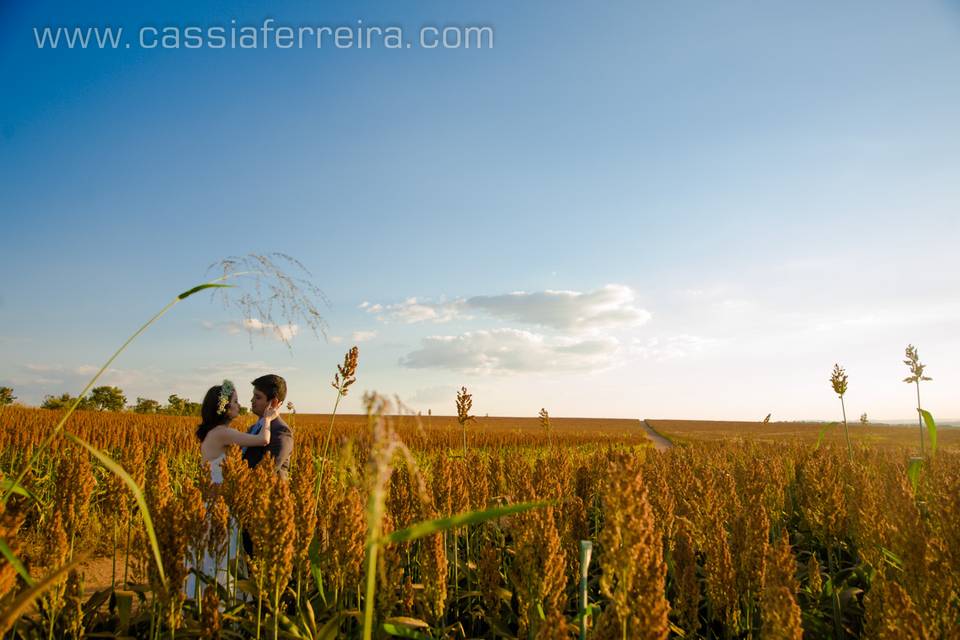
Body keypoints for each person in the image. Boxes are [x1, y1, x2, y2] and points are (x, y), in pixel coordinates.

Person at [187, 379, 280, 596]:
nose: (240, 405)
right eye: (236, 402)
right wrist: (268, 419)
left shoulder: (218, 432)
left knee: (214, 554)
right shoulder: (222, 433)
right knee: (219, 553)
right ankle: (216, 602)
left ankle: (211, 600)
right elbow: (263, 440)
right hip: (218, 505)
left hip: (216, 502)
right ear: (225, 408)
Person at [240, 374, 294, 558]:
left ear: (273, 402)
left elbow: (266, 470)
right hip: (248, 507)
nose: (252, 401)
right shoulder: (254, 428)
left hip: (266, 512)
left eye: (258, 397)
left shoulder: (282, 432)